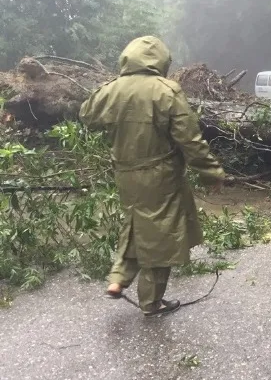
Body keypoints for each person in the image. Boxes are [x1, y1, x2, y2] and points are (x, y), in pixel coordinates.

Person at [79, 36, 225, 316]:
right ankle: (151, 303)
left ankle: (118, 279)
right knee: (161, 236)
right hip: (160, 177)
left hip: (125, 176)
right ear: (161, 61)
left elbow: (86, 113)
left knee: (135, 224)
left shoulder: (111, 90)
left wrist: (115, 88)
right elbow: (190, 140)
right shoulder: (166, 91)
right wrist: (211, 172)